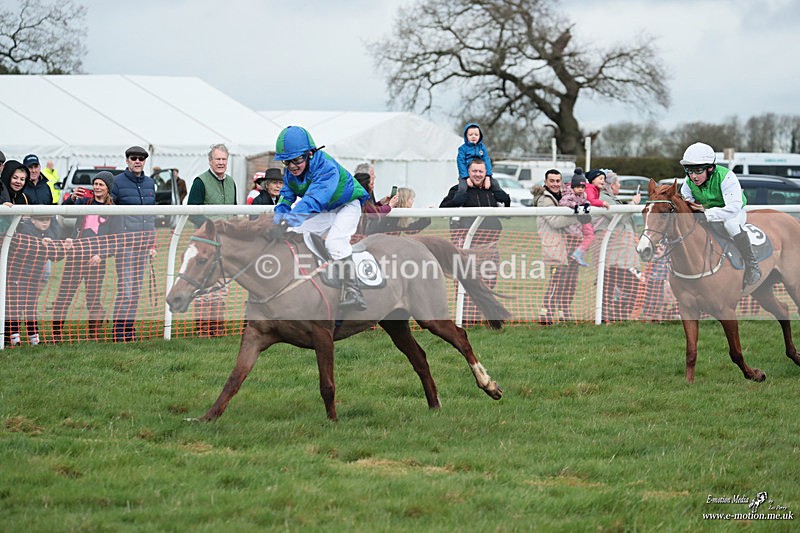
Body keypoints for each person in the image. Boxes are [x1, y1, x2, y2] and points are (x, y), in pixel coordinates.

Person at [269, 126, 370, 311]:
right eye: (287, 162)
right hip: (327, 208)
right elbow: (285, 198)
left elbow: (313, 200)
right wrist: (279, 221)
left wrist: (288, 220)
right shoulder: (291, 174)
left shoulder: (326, 168)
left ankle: (354, 292)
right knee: (293, 232)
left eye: (297, 159)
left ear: (310, 154)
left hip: (347, 205)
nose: (292, 166)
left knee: (334, 243)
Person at [51, 171, 121, 342]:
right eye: (95, 184)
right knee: (64, 296)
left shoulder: (114, 210)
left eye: (101, 185)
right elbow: (65, 212)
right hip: (76, 256)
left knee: (93, 298)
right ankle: (56, 334)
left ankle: (94, 334)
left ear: (108, 188)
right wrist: (72, 198)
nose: (97, 187)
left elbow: (116, 240)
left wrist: (101, 255)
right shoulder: (84, 202)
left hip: (96, 261)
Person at [679, 141, 761, 286]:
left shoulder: (727, 177)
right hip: (706, 212)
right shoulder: (688, 182)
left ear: (710, 168)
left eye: (698, 171)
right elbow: (688, 204)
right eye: (690, 171)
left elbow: (733, 208)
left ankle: (752, 265)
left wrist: (706, 214)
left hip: (732, 212)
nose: (694, 176)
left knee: (730, 225)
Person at [440, 158, 510, 326]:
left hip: (490, 246)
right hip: (467, 247)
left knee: (489, 282)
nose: (478, 174)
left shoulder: (491, 190)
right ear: (468, 172)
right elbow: (443, 209)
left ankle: (480, 318)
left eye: (481, 171)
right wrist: (461, 195)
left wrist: (499, 191)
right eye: (474, 171)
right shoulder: (457, 189)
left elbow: (506, 210)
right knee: (466, 283)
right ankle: (465, 319)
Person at [187, 143, 238, 336]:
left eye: (224, 159)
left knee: (221, 286)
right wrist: (212, 227)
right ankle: (202, 329)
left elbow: (233, 212)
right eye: (217, 159)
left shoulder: (231, 182)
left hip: (225, 243)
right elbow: (192, 212)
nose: (221, 163)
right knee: (203, 285)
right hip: (205, 244)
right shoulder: (200, 182)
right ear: (210, 161)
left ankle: (217, 328)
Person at [110, 145, 157, 342]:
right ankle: (119, 332)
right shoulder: (117, 182)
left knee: (136, 291)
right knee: (126, 290)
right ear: (127, 160)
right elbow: (108, 208)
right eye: (133, 158)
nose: (137, 161)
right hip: (125, 245)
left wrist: (152, 243)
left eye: (141, 158)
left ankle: (129, 330)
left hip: (144, 245)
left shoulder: (150, 183)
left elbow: (151, 215)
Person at [6, 215, 68, 346]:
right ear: (33, 220)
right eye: (41, 219)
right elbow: (22, 250)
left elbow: (54, 257)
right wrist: (39, 243)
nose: (45, 222)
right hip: (17, 276)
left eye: (47, 219)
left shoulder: (48, 234)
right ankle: (13, 336)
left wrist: (65, 249)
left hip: (34, 277)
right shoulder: (25, 232)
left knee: (31, 306)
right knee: (16, 305)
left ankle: (34, 337)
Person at [532, 169, 584, 325]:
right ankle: (546, 314)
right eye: (552, 181)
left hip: (569, 245)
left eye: (557, 181)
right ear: (546, 182)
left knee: (570, 281)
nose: (555, 184)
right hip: (554, 246)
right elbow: (555, 221)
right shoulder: (544, 199)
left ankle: (564, 312)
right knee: (557, 281)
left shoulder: (563, 196)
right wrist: (578, 216)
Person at [589, 170, 642, 322]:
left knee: (610, 287)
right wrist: (633, 204)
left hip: (615, 254)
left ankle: (611, 316)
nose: (619, 185)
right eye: (618, 182)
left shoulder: (609, 198)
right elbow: (619, 216)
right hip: (611, 253)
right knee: (628, 286)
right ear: (611, 185)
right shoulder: (603, 198)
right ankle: (613, 316)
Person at [456, 123, 503, 195]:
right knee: (462, 188)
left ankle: (502, 201)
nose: (473, 136)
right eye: (470, 135)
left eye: (476, 135)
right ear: (466, 136)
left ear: (480, 136)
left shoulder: (482, 147)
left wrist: (487, 176)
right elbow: (460, 163)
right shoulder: (462, 148)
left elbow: (487, 161)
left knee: (495, 184)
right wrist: (466, 177)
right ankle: (458, 202)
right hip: (466, 174)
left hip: (481, 173)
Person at [559, 169, 594, 267]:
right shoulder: (569, 194)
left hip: (578, 221)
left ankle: (578, 255)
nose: (580, 189)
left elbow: (585, 201)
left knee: (585, 235)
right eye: (578, 187)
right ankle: (576, 255)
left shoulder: (583, 195)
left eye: (583, 187)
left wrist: (586, 205)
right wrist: (573, 205)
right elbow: (562, 203)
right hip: (570, 223)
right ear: (573, 187)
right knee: (577, 236)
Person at [365, 187, 431, 235]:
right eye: (411, 199)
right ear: (404, 200)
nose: (413, 201)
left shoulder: (399, 215)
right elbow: (374, 230)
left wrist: (426, 218)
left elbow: (410, 229)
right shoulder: (391, 214)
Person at [354, 168, 398, 235]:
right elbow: (376, 212)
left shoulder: (356, 197)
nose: (373, 187)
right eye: (371, 184)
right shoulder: (359, 201)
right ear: (365, 186)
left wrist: (381, 202)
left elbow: (371, 208)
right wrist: (390, 205)